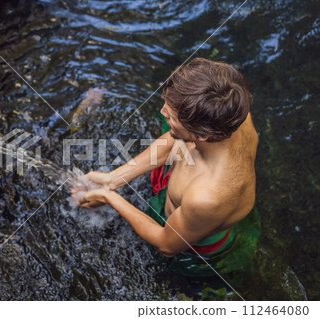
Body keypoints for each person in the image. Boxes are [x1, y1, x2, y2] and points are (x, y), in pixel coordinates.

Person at [75, 58, 260, 277]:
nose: (162, 111)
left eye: (170, 115)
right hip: (188, 193)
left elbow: (167, 245)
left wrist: (110, 198)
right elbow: (178, 139)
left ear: (202, 135)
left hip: (193, 236)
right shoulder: (231, 111)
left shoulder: (207, 197)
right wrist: (116, 178)